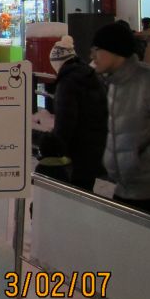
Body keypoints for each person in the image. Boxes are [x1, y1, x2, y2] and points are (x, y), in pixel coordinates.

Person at [75, 21, 150, 299]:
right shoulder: (115, 83)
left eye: (98, 49)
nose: (93, 55)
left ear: (114, 52)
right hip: (128, 187)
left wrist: (139, 162)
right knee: (120, 258)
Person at [38, 35, 108, 191]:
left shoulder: (68, 83)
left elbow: (65, 121)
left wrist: (55, 147)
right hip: (96, 148)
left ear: (58, 63)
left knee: (74, 193)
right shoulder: (90, 75)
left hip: (77, 152)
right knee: (85, 190)